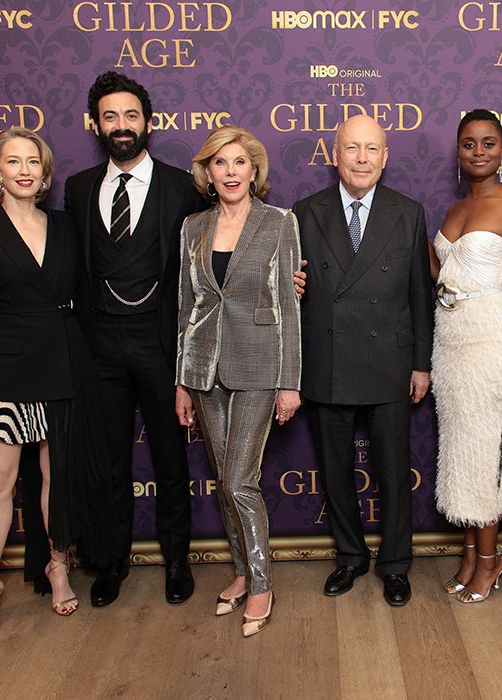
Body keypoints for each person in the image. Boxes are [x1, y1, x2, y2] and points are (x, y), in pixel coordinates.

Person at [0, 128, 116, 639]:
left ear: (45, 174)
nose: (24, 170)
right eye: (13, 162)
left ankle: (57, 566)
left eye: (33, 162)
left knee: (57, 479)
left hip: (64, 364)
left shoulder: (66, 227)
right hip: (4, 371)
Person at [65, 71, 205, 607]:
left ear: (148, 122)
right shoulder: (78, 189)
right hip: (99, 344)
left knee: (171, 460)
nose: (121, 126)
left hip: (162, 342)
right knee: (109, 460)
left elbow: (213, 262)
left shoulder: (182, 187)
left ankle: (177, 561)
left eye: (130, 116)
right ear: (95, 125)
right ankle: (111, 560)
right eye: (110, 117)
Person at [293, 114, 434, 606]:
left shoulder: (408, 211)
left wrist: (421, 363)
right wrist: (290, 287)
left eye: (372, 149)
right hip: (327, 358)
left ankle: (395, 564)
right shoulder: (305, 212)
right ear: (335, 154)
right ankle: (350, 557)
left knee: (393, 473)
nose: (361, 158)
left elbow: (420, 293)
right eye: (352, 148)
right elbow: (289, 291)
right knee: (335, 470)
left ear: (385, 157)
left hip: (389, 361)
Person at [174, 125, 301, 637]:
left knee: (237, 480)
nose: (230, 172)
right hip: (204, 368)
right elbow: (188, 306)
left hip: (258, 366)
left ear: (254, 171)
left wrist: (290, 381)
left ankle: (263, 582)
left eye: (239, 163)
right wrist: (182, 380)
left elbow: (290, 306)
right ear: (208, 172)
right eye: (220, 163)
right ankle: (244, 570)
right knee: (224, 480)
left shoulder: (279, 223)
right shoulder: (192, 228)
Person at [429, 110, 502, 603]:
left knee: (488, 454)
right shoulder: (452, 210)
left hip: (493, 341)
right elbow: (437, 276)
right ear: (459, 150)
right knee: (462, 453)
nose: (478, 152)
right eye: (469, 144)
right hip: (450, 341)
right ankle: (472, 554)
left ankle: (491, 562)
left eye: (488, 143)